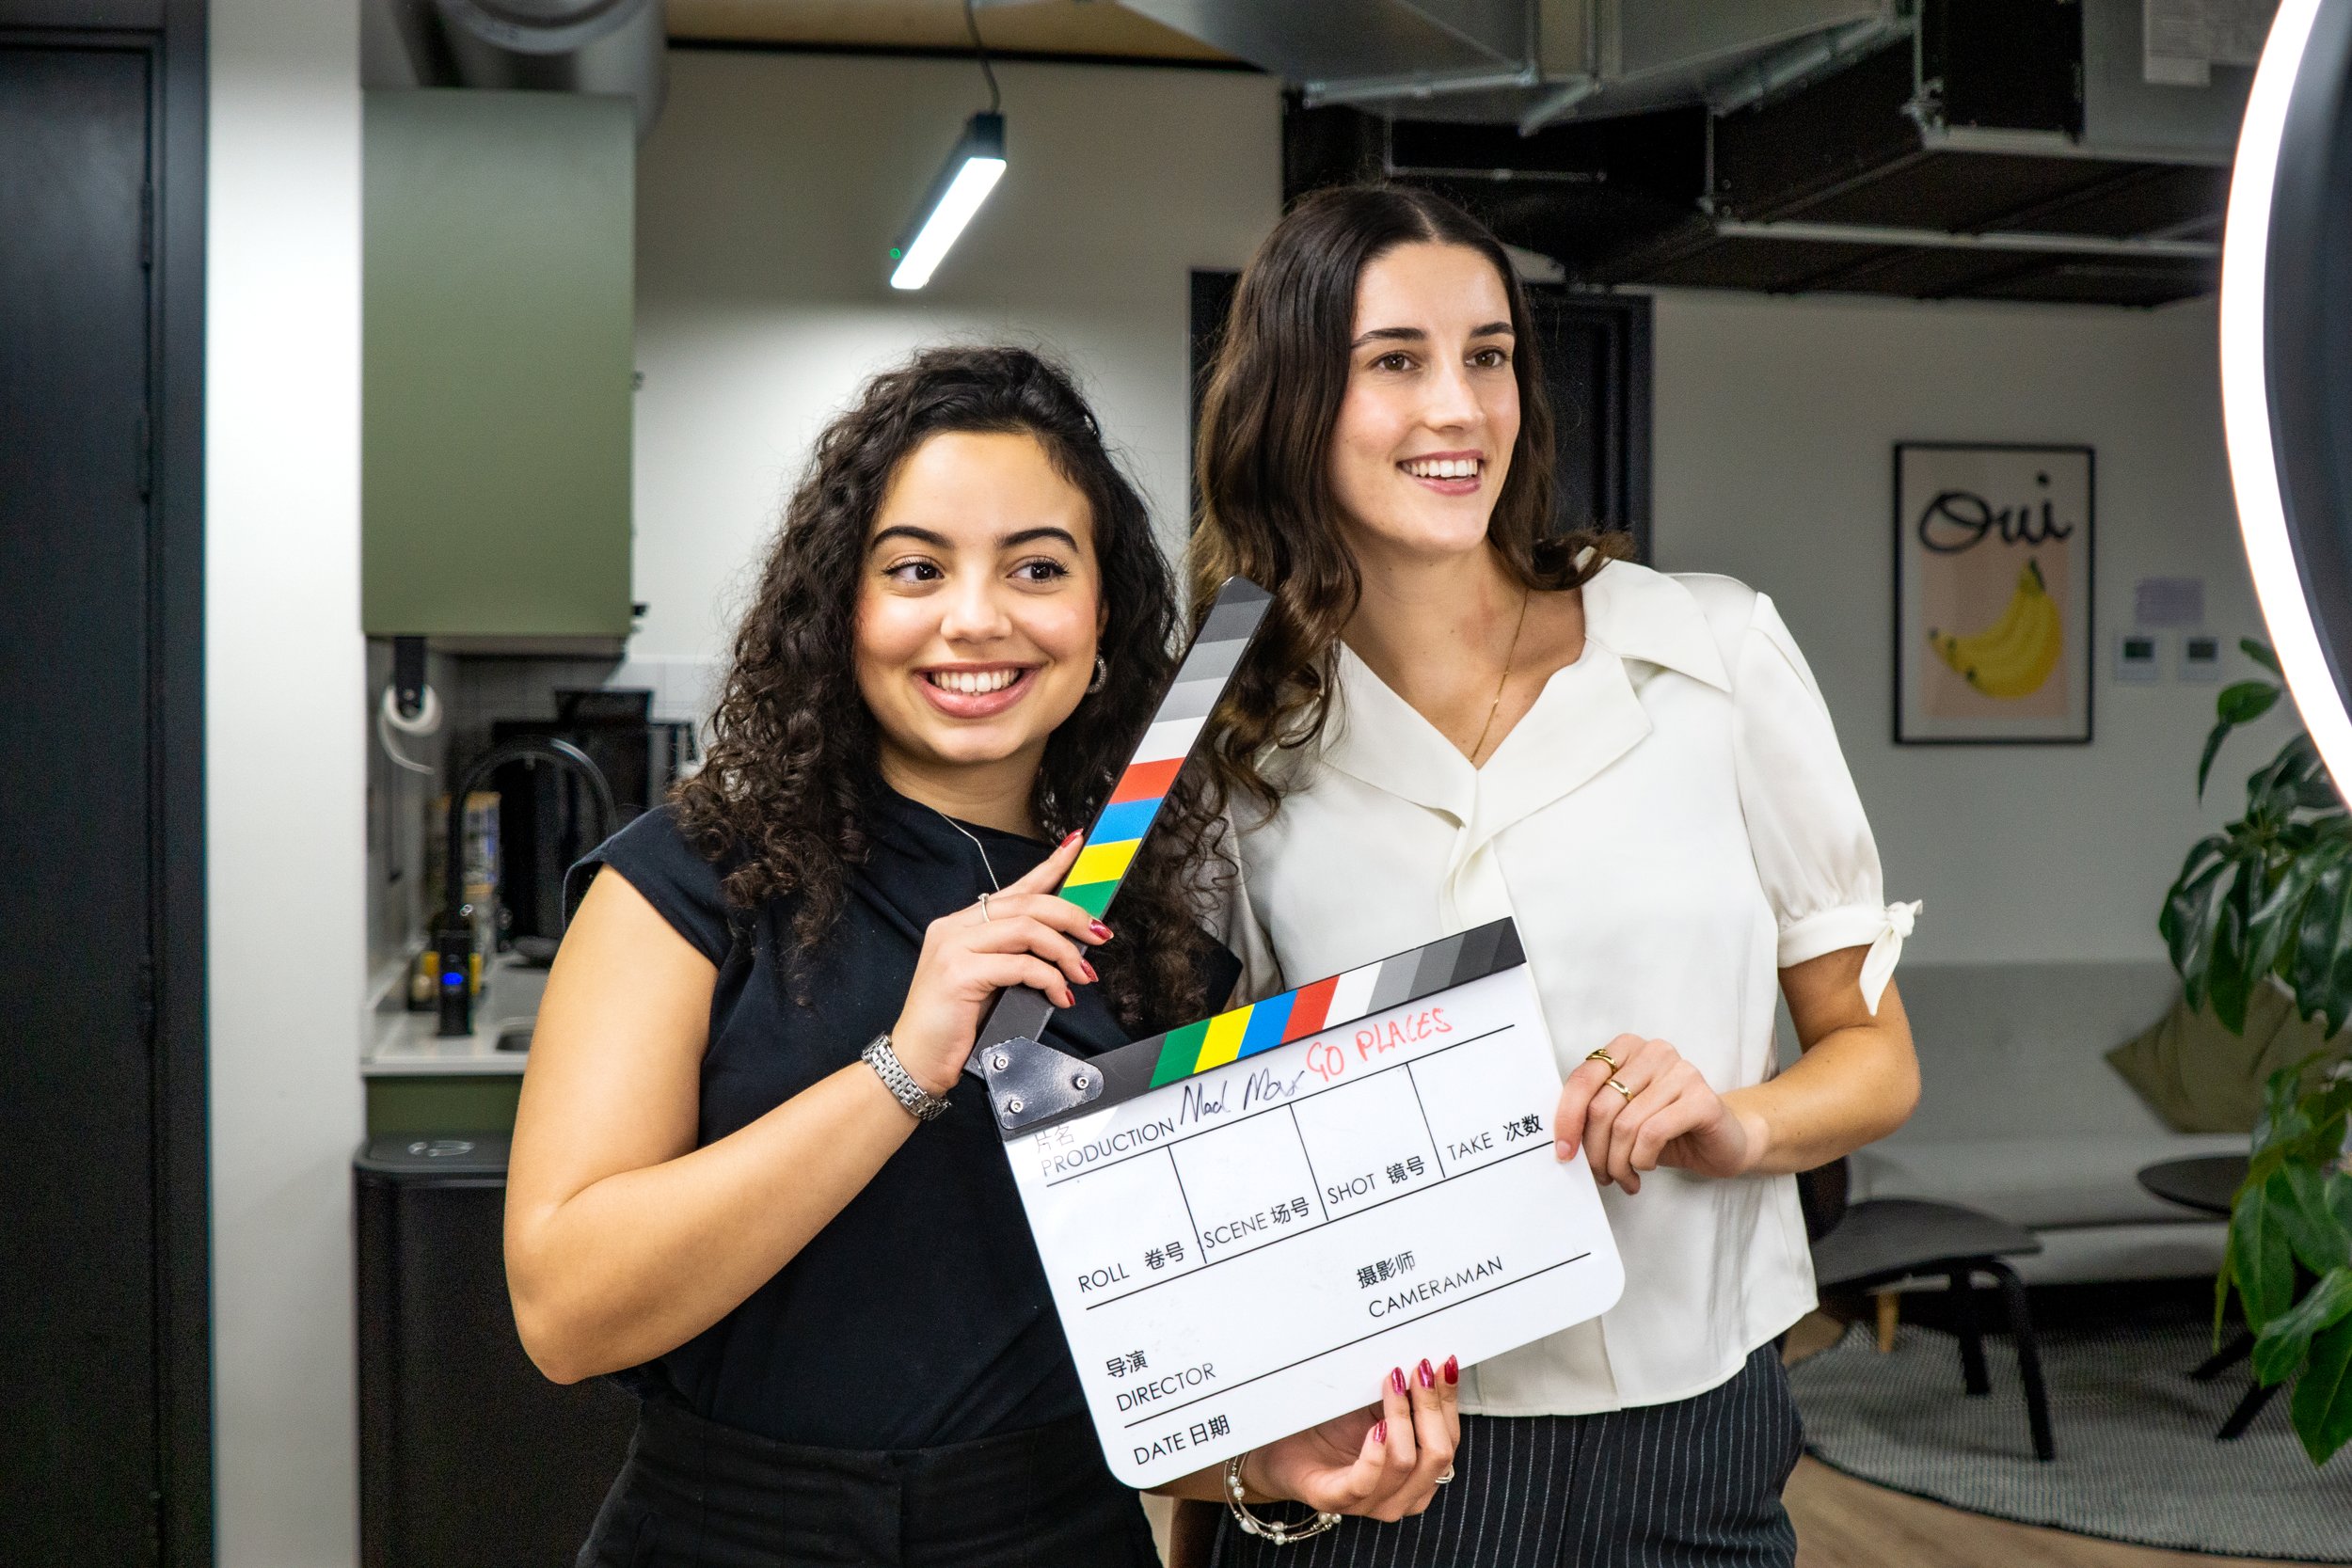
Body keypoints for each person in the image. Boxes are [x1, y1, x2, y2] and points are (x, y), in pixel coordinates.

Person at [502, 344, 1458, 1568]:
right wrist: (904, 1065)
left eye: (1037, 569)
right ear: (841, 605)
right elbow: (566, 1314)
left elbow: (1146, 1389)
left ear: (1102, 613)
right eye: (915, 569)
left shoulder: (1163, 947)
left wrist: (1266, 1467)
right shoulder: (687, 883)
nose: (976, 618)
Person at [1181, 187, 1923, 1566]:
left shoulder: (1713, 649)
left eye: (1490, 354)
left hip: (1692, 1436)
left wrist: (1741, 1125)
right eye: (1394, 359)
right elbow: (1196, 1166)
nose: (1458, 406)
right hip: (1382, 1449)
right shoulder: (1231, 734)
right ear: (1291, 398)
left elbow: (1875, 1055)